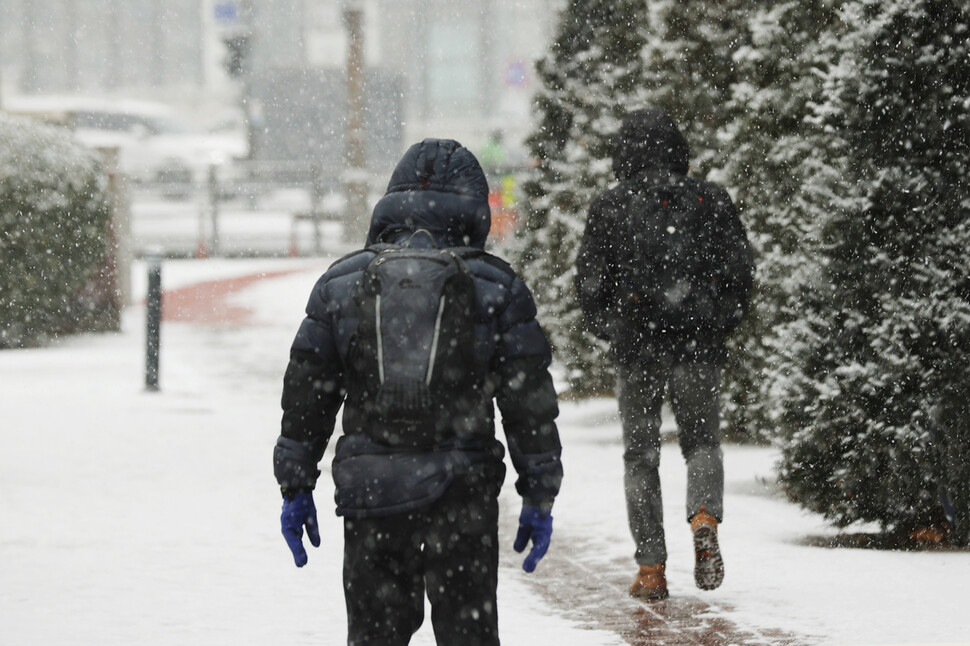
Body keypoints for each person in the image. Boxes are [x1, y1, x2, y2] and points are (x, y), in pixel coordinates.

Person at [273, 138, 563, 645]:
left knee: (376, 634)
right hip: (462, 492)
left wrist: (296, 484)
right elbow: (526, 400)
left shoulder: (341, 282)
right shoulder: (497, 286)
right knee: (466, 635)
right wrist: (539, 489)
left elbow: (308, 392)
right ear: (474, 208)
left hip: (372, 493)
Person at [574, 107, 754, 600]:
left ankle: (652, 569)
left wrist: (615, 328)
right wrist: (716, 322)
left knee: (640, 457)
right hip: (698, 344)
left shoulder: (611, 207)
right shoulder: (710, 200)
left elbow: (590, 285)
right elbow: (740, 275)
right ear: (678, 148)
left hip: (637, 348)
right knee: (702, 443)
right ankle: (703, 516)